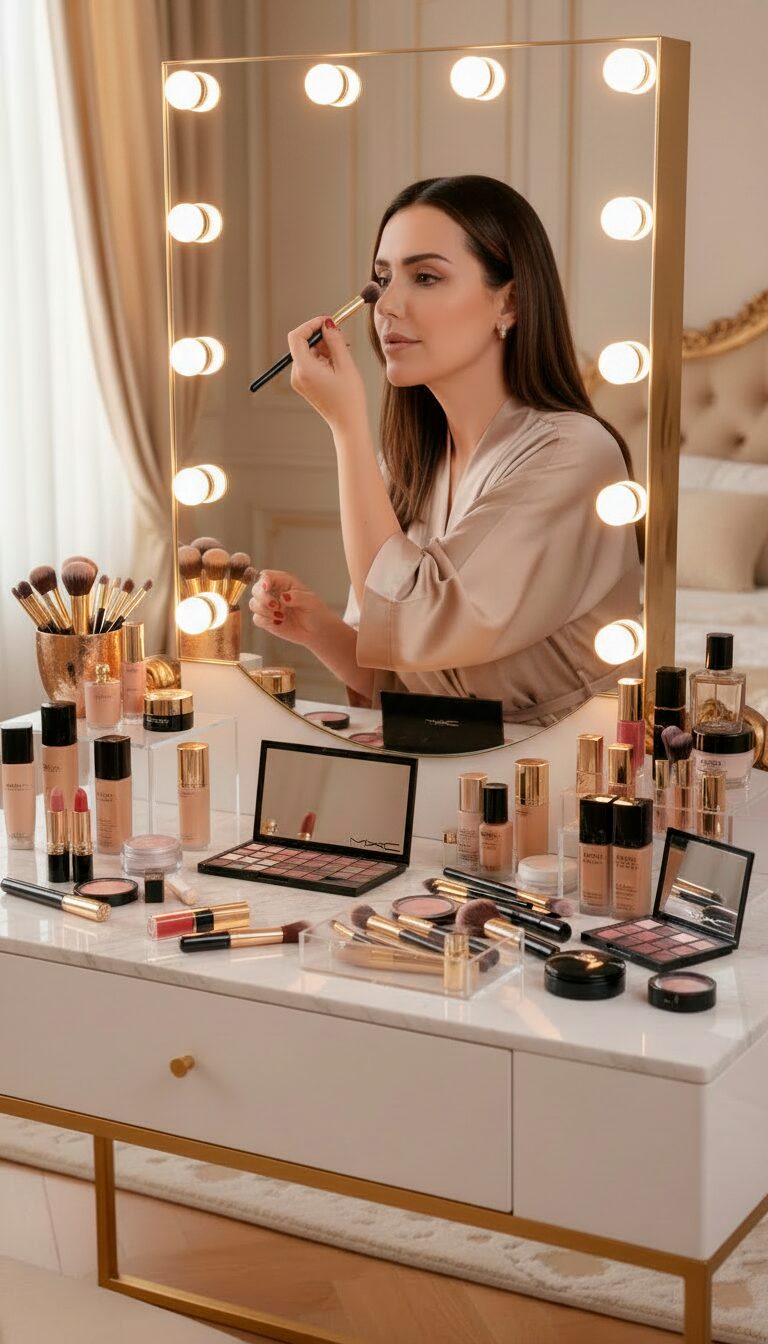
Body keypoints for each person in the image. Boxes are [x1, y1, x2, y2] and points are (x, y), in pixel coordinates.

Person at [249, 174, 641, 725]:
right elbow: (404, 671)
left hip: (562, 764)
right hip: (439, 761)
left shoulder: (573, 454)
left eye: (426, 277)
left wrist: (346, 426)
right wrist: (318, 629)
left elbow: (418, 619)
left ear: (510, 302)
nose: (387, 306)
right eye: (383, 279)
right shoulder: (407, 465)